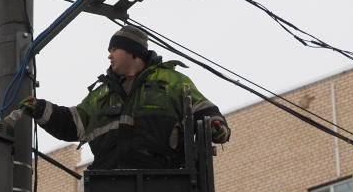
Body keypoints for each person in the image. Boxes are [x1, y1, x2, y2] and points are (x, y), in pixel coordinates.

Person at [19, 25, 230, 169]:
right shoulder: (101, 94)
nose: (109, 55)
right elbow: (73, 123)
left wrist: (216, 126)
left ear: (133, 52)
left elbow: (204, 111)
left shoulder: (170, 81)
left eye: (114, 49)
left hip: (163, 182)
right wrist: (40, 109)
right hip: (110, 189)